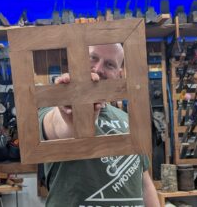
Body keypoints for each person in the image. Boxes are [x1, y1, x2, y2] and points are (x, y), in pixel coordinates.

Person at [39, 43, 160, 207]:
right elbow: (61, 129)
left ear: (119, 75)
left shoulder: (129, 119)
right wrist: (74, 117)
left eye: (109, 64)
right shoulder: (53, 111)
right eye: (92, 58)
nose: (98, 69)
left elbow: (144, 182)